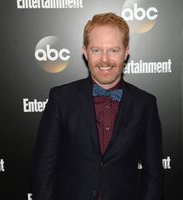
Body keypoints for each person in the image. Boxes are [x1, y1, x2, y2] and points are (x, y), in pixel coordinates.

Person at [33, 12, 163, 200]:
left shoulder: (145, 104)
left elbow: (154, 175)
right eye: (96, 50)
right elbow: (43, 169)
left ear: (126, 52)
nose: (104, 59)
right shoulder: (61, 99)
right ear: (85, 51)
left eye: (113, 50)